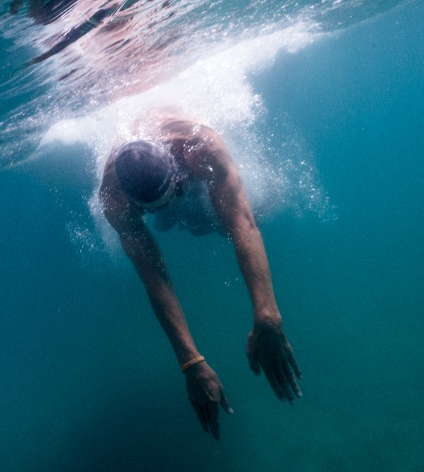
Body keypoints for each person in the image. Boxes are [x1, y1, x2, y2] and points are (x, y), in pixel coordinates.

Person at [99, 112, 301, 440]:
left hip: (195, 174)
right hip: (167, 188)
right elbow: (154, 275)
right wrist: (190, 361)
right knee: (177, 221)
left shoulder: (200, 145)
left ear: (177, 171)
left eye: (173, 192)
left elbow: (243, 224)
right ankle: (169, 215)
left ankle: (182, 209)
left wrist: (268, 316)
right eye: (152, 207)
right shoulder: (115, 200)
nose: (166, 203)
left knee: (229, 222)